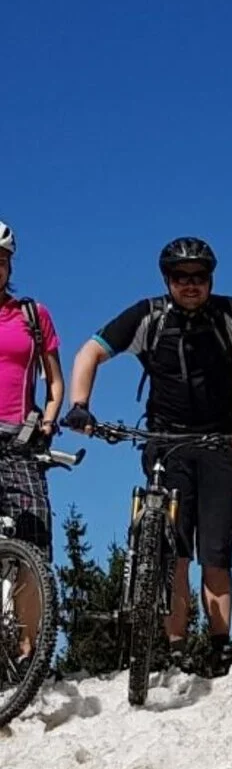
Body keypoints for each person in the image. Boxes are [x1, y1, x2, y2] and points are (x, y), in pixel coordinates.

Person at [64, 237, 232, 674]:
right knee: (172, 553)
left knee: (216, 554)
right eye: (182, 277)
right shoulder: (148, 316)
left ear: (211, 279)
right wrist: (80, 404)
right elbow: (90, 351)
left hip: (220, 442)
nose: (191, 285)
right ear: (168, 280)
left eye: (200, 277)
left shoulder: (229, 313)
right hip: (166, 442)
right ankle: (176, 650)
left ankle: (219, 648)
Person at [0, 219, 65, 559]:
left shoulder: (32, 315)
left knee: (33, 541)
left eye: (1, 260)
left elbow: (54, 382)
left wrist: (48, 422)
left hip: (19, 439)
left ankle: (30, 614)